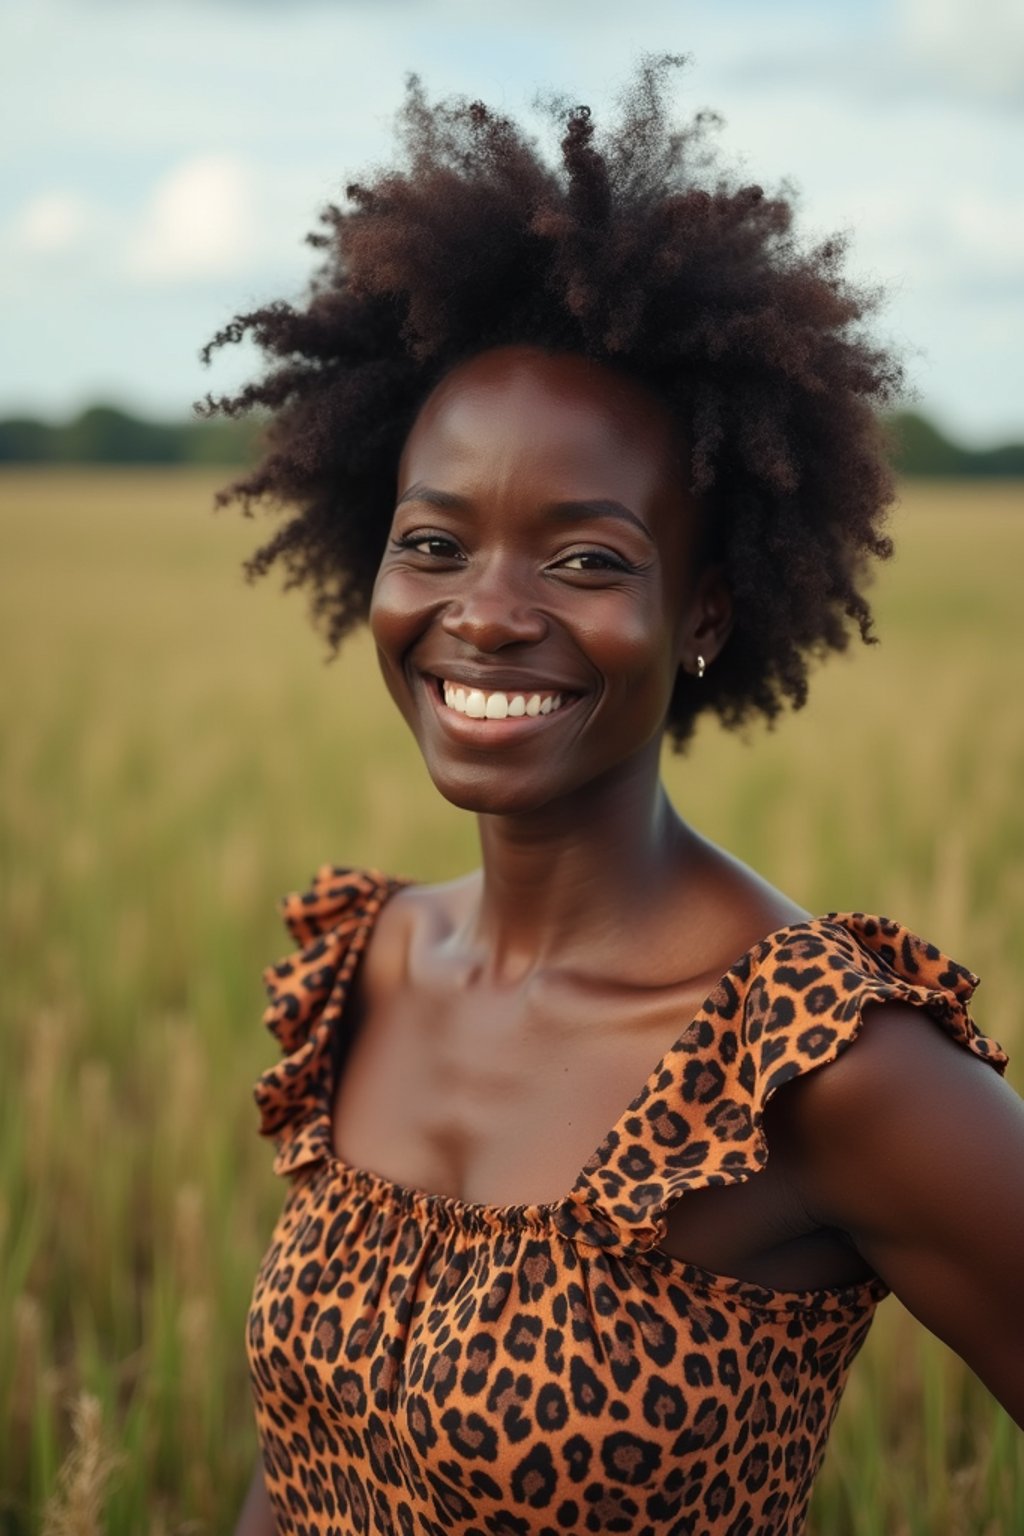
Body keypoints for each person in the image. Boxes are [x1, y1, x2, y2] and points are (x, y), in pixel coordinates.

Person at [204, 58, 1024, 1536]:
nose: (488, 614)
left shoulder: (820, 1065)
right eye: (435, 543)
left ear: (705, 611)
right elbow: (302, 1467)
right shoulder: (367, 968)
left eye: (585, 559)